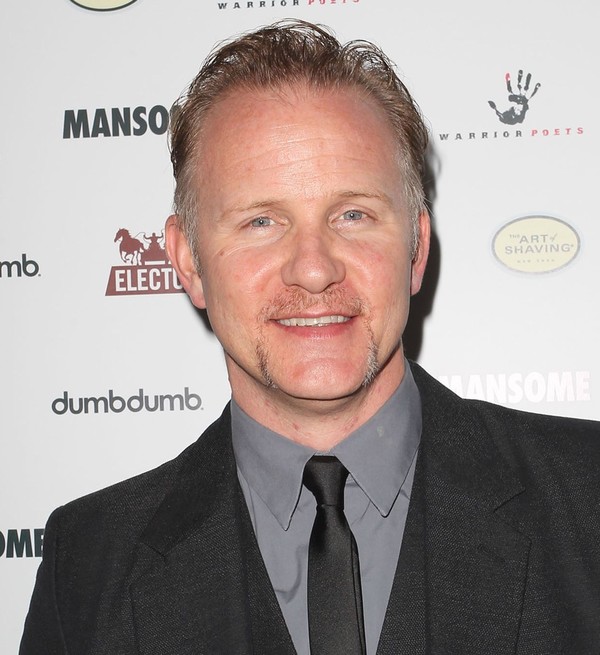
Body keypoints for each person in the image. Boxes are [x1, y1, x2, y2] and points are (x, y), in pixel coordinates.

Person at [20, 20, 600, 655]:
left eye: (352, 214)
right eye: (261, 222)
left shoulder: (588, 496)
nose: (315, 269)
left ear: (416, 247)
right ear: (189, 263)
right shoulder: (88, 568)